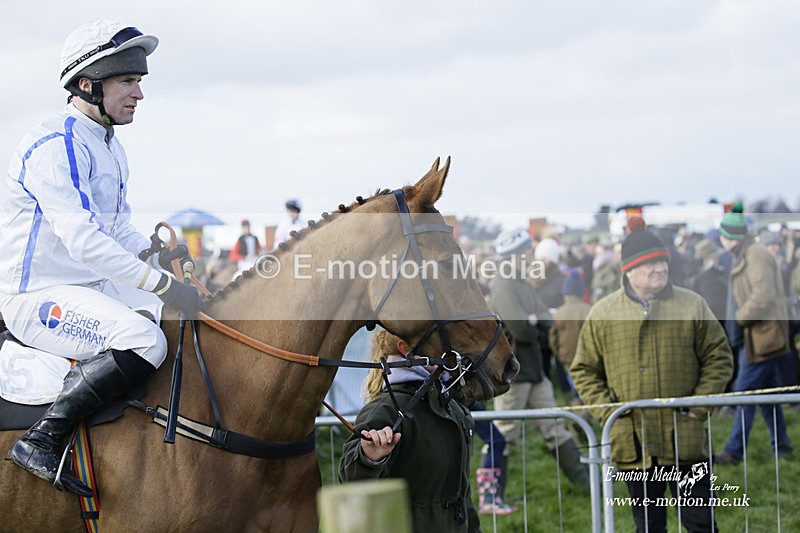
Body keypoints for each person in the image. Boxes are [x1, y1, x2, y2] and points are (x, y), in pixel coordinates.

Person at [0, 20, 203, 496]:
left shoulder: (108, 143)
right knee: (146, 341)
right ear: (89, 85)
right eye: (128, 82)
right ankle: (42, 440)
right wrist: (162, 284)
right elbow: (86, 243)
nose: (139, 93)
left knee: (182, 323)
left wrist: (161, 255)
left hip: (87, 287)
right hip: (36, 297)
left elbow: (118, 230)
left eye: (139, 82)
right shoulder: (58, 144)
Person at [570, 222, 733, 533]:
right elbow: (584, 369)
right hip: (635, 443)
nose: (660, 268)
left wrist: (700, 405)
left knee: (701, 524)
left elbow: (719, 356)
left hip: (686, 437)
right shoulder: (603, 313)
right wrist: (610, 413)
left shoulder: (691, 304)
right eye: (650, 263)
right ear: (629, 270)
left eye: (663, 261)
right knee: (648, 527)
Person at [338, 329, 481, 532]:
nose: (449, 348)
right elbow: (349, 483)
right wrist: (368, 458)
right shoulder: (387, 409)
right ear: (406, 349)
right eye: (435, 340)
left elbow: (462, 497)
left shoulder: (451, 406)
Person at [487, 228, 590, 491]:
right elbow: (522, 329)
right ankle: (491, 496)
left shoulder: (521, 282)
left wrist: (535, 321)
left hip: (533, 370)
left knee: (555, 427)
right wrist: (534, 323)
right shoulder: (503, 284)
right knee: (504, 435)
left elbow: (546, 317)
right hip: (512, 373)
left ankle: (589, 487)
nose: (531, 256)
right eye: (527, 252)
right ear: (515, 255)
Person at [714, 204, 794, 465]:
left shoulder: (755, 254)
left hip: (761, 334)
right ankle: (781, 444)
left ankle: (734, 451)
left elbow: (763, 294)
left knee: (745, 391)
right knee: (767, 394)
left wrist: (739, 318)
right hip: (759, 333)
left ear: (730, 237)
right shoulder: (750, 252)